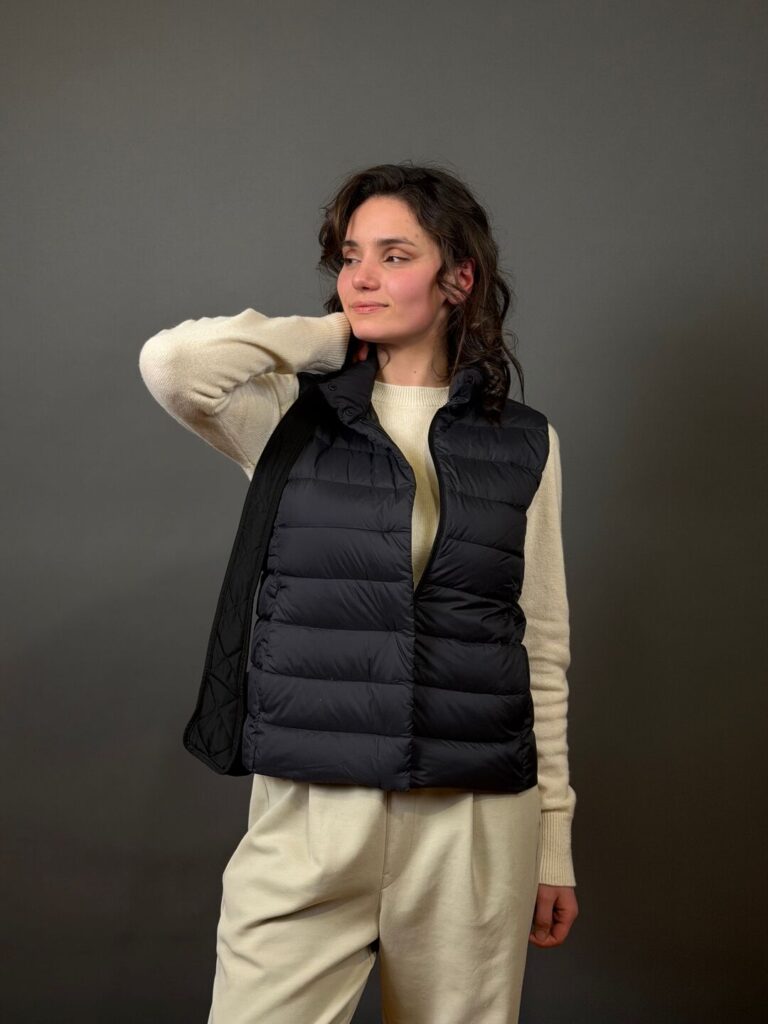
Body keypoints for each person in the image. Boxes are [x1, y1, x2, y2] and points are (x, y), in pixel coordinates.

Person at [139, 161, 579, 1024]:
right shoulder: (287, 416)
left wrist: (554, 841)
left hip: (472, 821)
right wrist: (332, 336)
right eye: (350, 257)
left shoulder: (525, 442)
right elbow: (175, 363)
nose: (363, 277)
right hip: (312, 813)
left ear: (459, 279)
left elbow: (541, 645)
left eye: (394, 255)